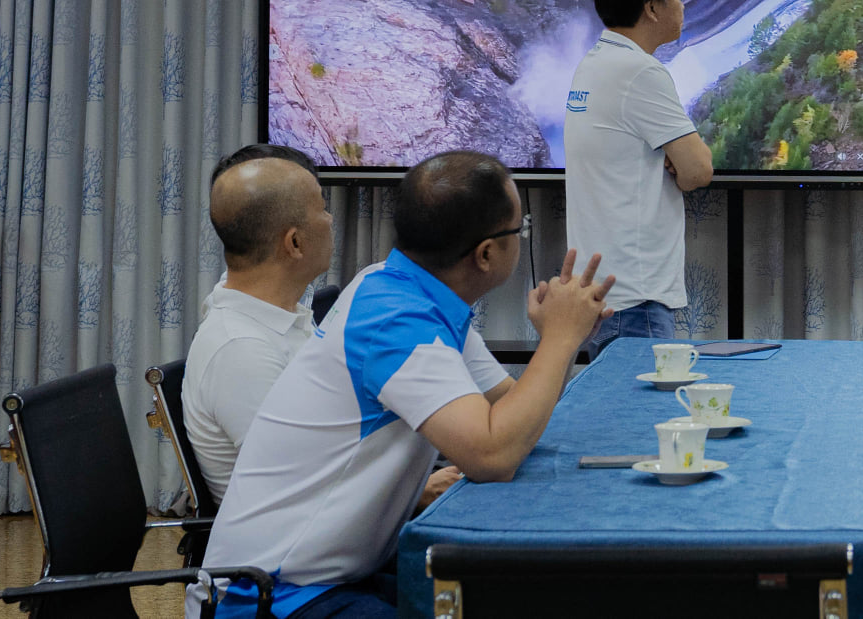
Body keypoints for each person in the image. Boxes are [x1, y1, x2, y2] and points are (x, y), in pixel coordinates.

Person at [191, 151, 613, 619]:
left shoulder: (400, 290)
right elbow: (493, 455)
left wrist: (562, 338)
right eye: (521, 230)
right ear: (487, 254)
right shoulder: (394, 319)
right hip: (268, 596)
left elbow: (513, 410)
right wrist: (559, 340)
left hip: (334, 572)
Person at [565, 0, 713, 347]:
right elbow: (698, 171)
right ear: (652, 8)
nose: (683, 6)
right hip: (635, 298)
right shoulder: (641, 72)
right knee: (646, 392)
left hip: (601, 291)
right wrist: (678, 161)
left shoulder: (594, 63)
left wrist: (672, 158)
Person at [182, 145, 330, 505]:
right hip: (299, 535)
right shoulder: (241, 350)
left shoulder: (281, 315)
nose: (330, 219)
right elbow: (304, 489)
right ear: (295, 242)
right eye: (323, 208)